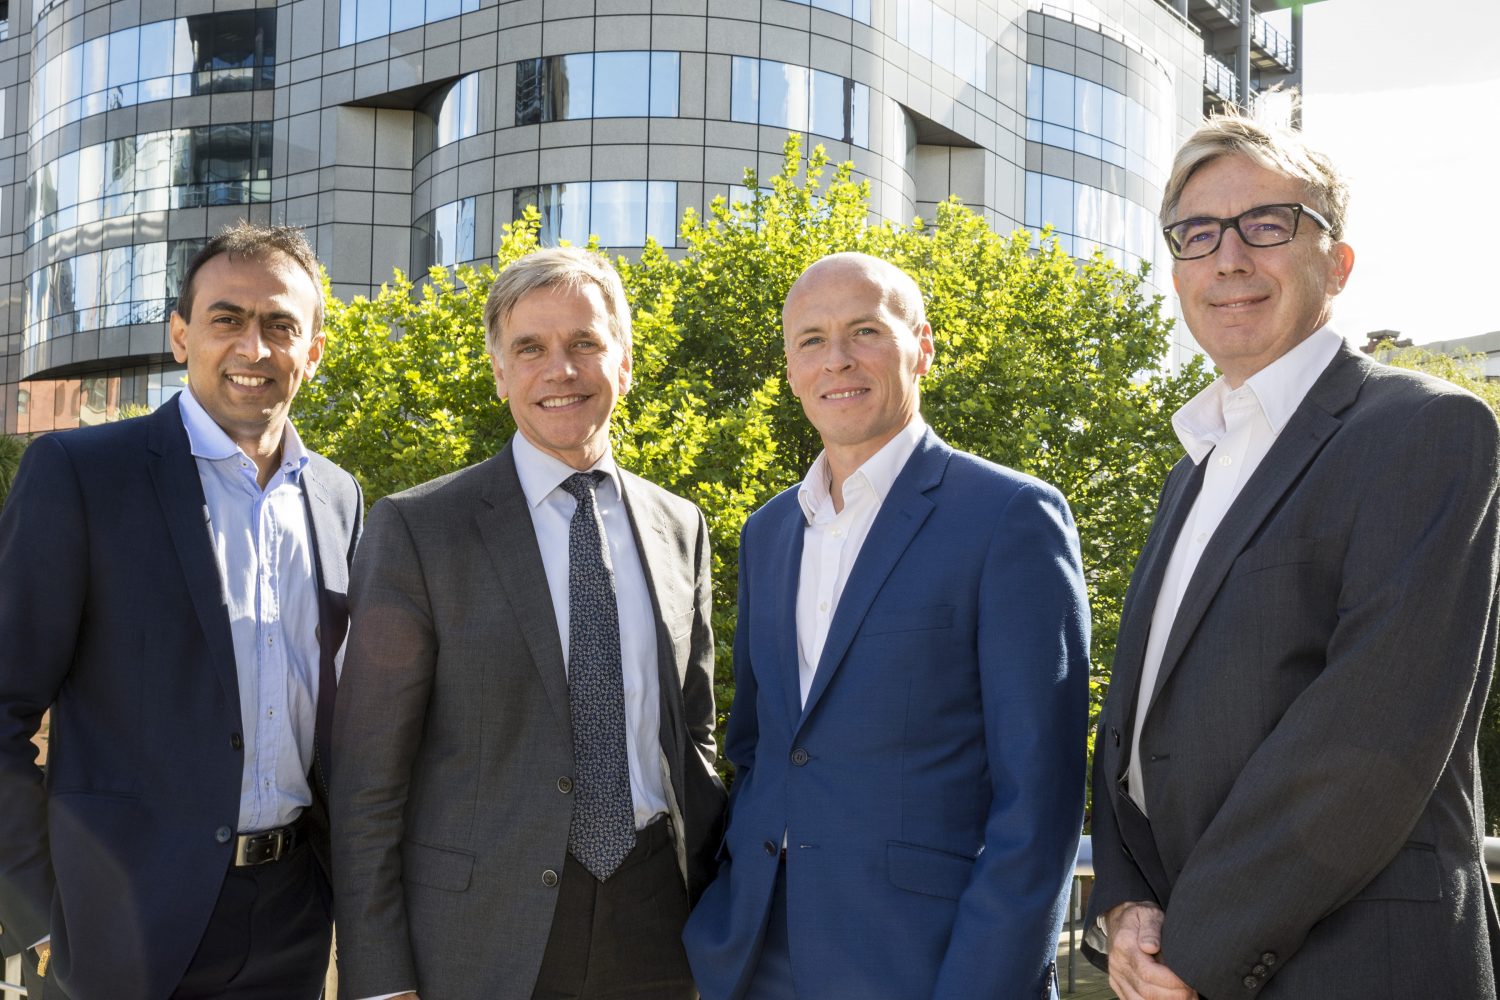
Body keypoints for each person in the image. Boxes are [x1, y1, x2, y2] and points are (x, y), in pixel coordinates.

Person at [1084, 111, 1500, 1000]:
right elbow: (1133, 724)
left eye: (1266, 224)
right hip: (1181, 959)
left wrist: (1196, 945)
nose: (1228, 258)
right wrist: (1125, 908)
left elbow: (1371, 733)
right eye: (1197, 235)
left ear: (1337, 263)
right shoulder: (1190, 473)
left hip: (1356, 963)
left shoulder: (1427, 429)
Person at [682, 252, 1091, 999]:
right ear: (790, 366)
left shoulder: (1009, 517)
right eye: (811, 340)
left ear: (922, 345)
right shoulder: (768, 532)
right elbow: (760, 746)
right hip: (752, 958)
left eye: (864, 331)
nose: (836, 359)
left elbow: (1041, 800)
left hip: (925, 965)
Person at [330, 246, 726, 1000]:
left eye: (584, 344)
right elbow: (367, 781)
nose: (561, 370)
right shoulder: (420, 529)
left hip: (659, 926)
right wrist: (380, 978)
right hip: (479, 938)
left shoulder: (681, 526)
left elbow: (694, 737)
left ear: (625, 362)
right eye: (531, 348)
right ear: (500, 372)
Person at [0, 222, 363, 1000]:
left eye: (280, 325)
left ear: (314, 350)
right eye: (226, 319)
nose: (253, 348)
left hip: (294, 918)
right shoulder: (81, 475)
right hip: (116, 927)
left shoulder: (339, 498)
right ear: (179, 335)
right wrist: (35, 912)